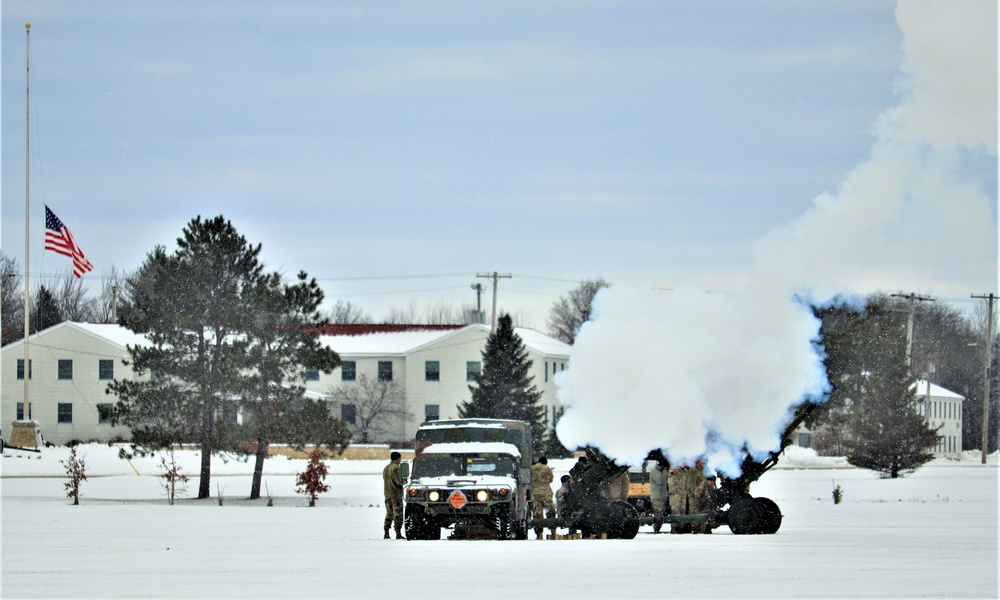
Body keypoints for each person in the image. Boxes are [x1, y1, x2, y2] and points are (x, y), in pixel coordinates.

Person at [530, 456, 556, 539]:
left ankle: (539, 534)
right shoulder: (546, 468)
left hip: (535, 494)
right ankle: (553, 533)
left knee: (537, 514)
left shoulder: (531, 468)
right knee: (550, 512)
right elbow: (551, 479)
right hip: (546, 493)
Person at [667, 462, 696, 534]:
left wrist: (686, 490)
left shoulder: (685, 471)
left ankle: (680, 527)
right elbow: (670, 480)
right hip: (675, 493)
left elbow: (686, 482)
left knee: (682, 511)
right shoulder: (674, 469)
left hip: (683, 493)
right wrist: (674, 490)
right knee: (675, 510)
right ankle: (674, 528)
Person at [382, 451, 404, 539]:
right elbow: (398, 481)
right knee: (398, 514)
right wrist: (405, 481)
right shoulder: (396, 468)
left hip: (387, 494)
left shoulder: (386, 468)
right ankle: (398, 533)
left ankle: (386, 532)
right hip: (396, 494)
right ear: (397, 458)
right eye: (400, 458)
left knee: (389, 513)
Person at [649, 458, 670, 533]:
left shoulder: (660, 471)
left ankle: (657, 528)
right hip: (657, 497)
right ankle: (656, 528)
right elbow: (660, 481)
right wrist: (665, 471)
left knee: (661, 513)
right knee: (658, 514)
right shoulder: (654, 471)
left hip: (662, 496)